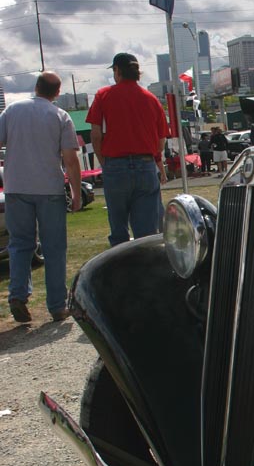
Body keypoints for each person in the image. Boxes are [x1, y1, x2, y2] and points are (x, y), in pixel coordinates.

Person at [0, 71, 82, 323]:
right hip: (48, 188)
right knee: (54, 247)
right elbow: (70, 159)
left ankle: (18, 295)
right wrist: (76, 192)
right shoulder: (60, 116)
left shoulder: (12, 111)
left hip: (15, 187)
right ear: (57, 93)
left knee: (20, 244)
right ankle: (57, 305)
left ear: (36, 87)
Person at [87, 53, 168, 246]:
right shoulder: (151, 99)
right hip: (146, 166)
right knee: (147, 233)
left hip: (115, 166)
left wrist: (103, 160)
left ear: (118, 70)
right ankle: (146, 271)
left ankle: (121, 271)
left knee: (118, 230)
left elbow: (96, 135)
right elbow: (161, 141)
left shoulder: (103, 95)